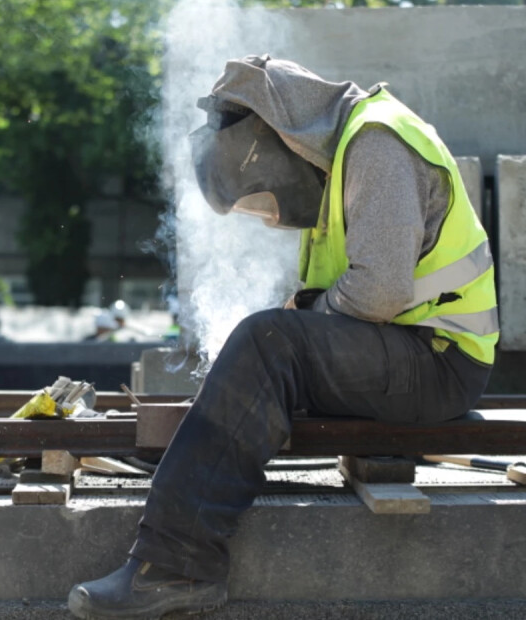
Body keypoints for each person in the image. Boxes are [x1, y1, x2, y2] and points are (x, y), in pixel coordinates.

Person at [68, 54, 498, 619]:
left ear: (280, 137)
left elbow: (379, 293)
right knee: (268, 341)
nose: (270, 217)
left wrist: (298, 320)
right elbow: (329, 308)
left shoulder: (376, 143)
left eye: (259, 200)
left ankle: (176, 568)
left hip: (438, 361)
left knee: (270, 341)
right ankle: (191, 502)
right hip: (404, 354)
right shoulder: (340, 162)